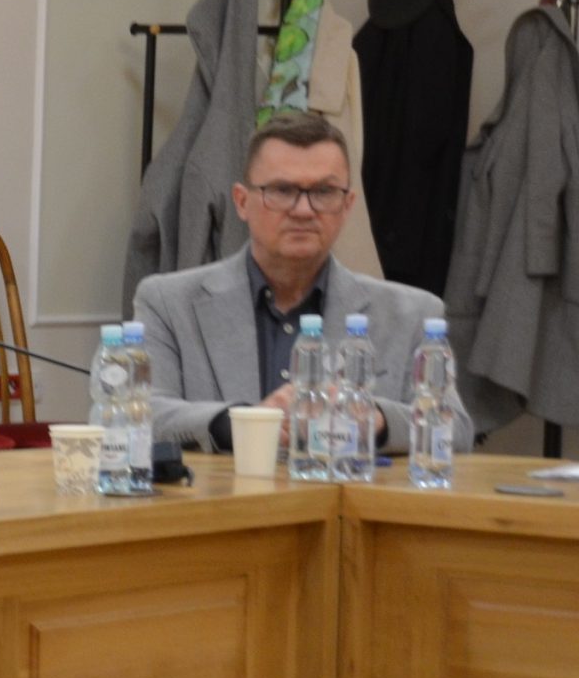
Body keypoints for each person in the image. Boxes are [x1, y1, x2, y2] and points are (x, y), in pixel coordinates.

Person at [135, 112, 442, 453]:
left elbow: (454, 427)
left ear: (347, 206)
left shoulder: (413, 314)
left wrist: (376, 419)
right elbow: (135, 412)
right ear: (242, 202)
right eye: (282, 190)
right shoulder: (168, 302)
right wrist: (241, 422)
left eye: (324, 191)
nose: (303, 210)